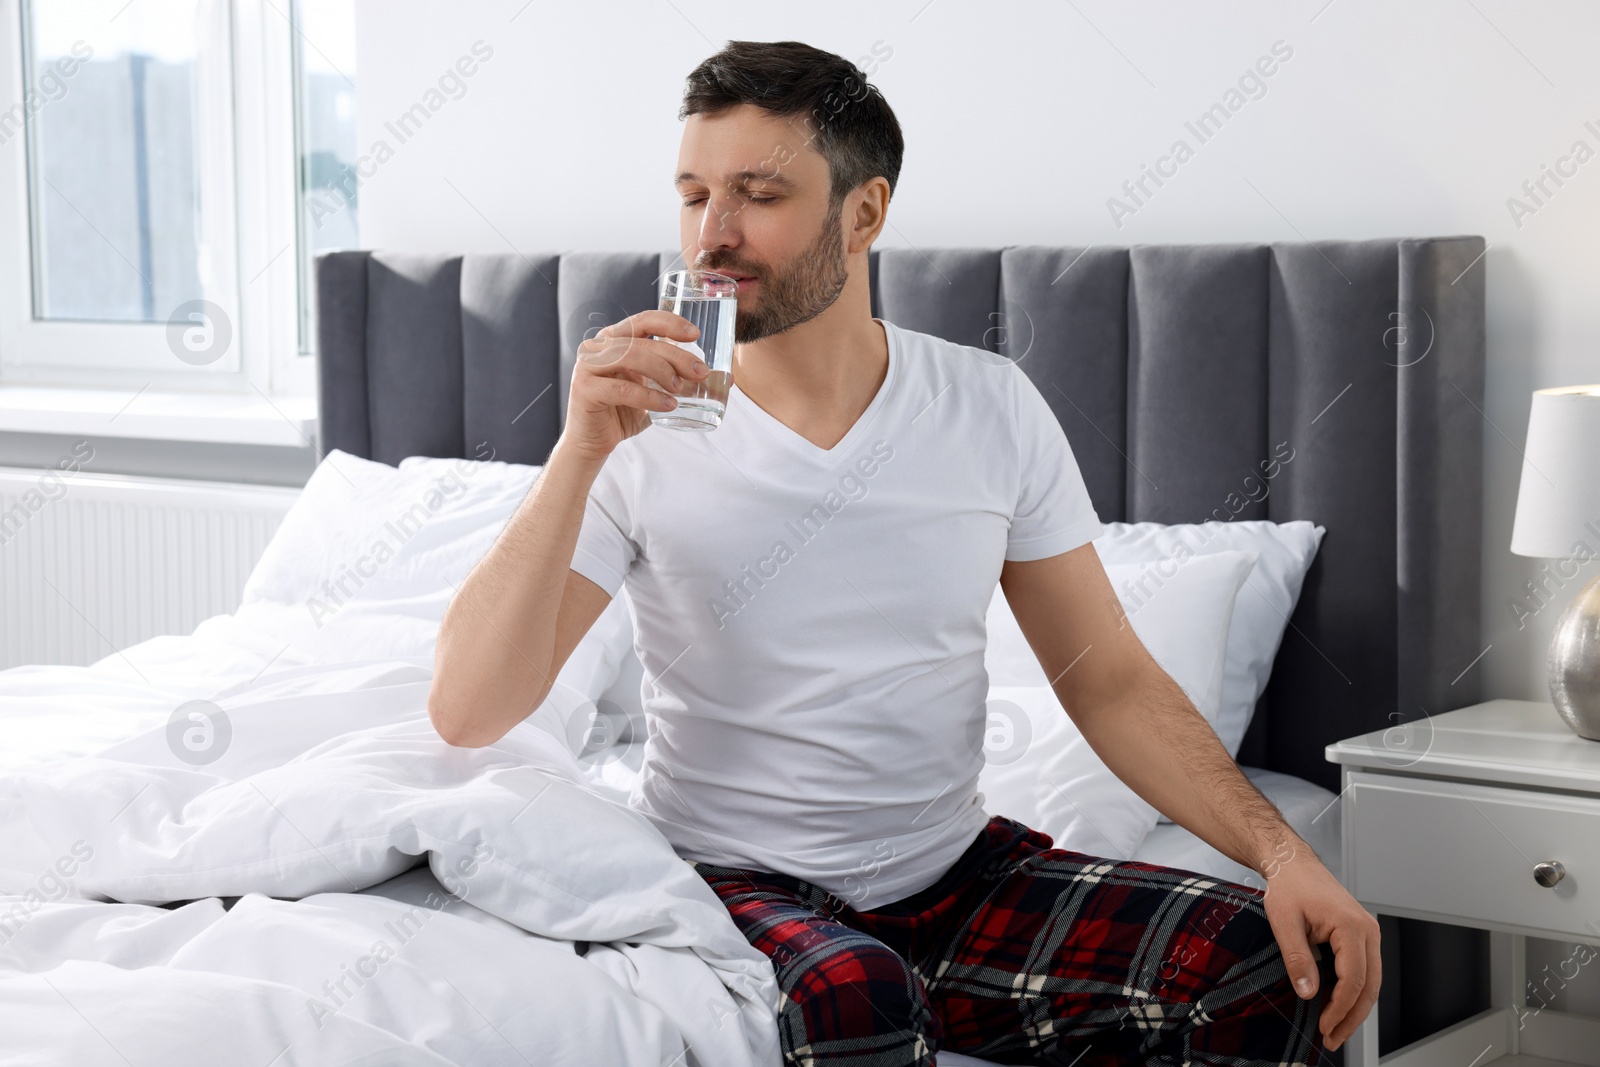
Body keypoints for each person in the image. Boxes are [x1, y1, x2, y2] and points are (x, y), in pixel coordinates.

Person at [427, 38, 1378, 1067]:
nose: (713, 234)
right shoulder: (637, 429)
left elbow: (1105, 679)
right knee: (856, 993)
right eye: (694, 193)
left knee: (1256, 956)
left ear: (865, 212)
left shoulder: (988, 407)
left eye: (758, 194)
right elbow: (467, 709)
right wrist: (576, 453)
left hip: (956, 880)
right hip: (735, 886)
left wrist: (1282, 854)